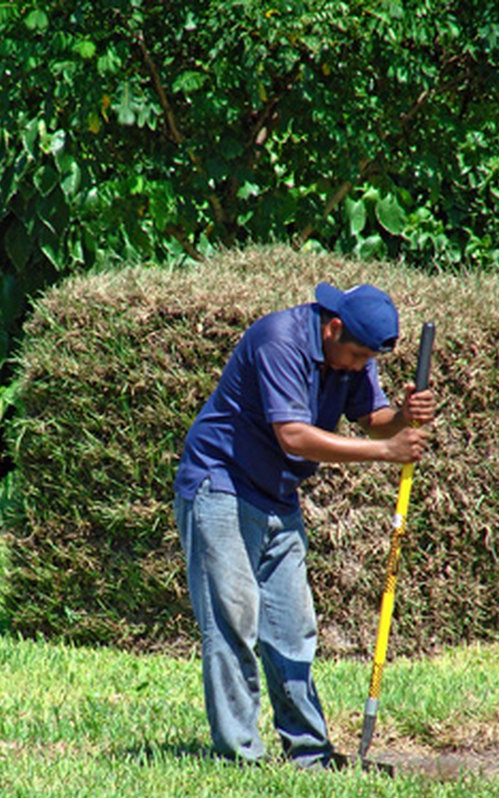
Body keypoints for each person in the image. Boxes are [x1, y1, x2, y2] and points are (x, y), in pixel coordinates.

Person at [173, 281, 436, 769]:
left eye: (367, 360)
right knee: (233, 623)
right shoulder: (280, 340)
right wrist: (385, 452)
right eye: (357, 355)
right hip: (222, 484)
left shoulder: (350, 351)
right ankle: (239, 758)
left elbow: (372, 418)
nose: (360, 366)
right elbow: (293, 436)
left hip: (278, 495)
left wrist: (401, 417)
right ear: (333, 327)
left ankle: (310, 755)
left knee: (293, 629)